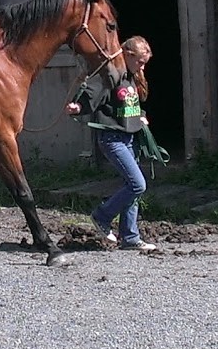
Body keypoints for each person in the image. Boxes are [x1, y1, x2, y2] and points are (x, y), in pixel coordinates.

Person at [65, 35, 157, 251]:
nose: (142, 67)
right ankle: (102, 215)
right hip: (112, 138)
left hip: (130, 136)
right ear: (128, 55)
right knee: (137, 184)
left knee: (132, 188)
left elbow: (128, 106)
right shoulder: (112, 75)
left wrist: (140, 117)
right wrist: (79, 107)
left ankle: (130, 237)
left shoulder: (132, 77)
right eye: (140, 62)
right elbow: (95, 93)